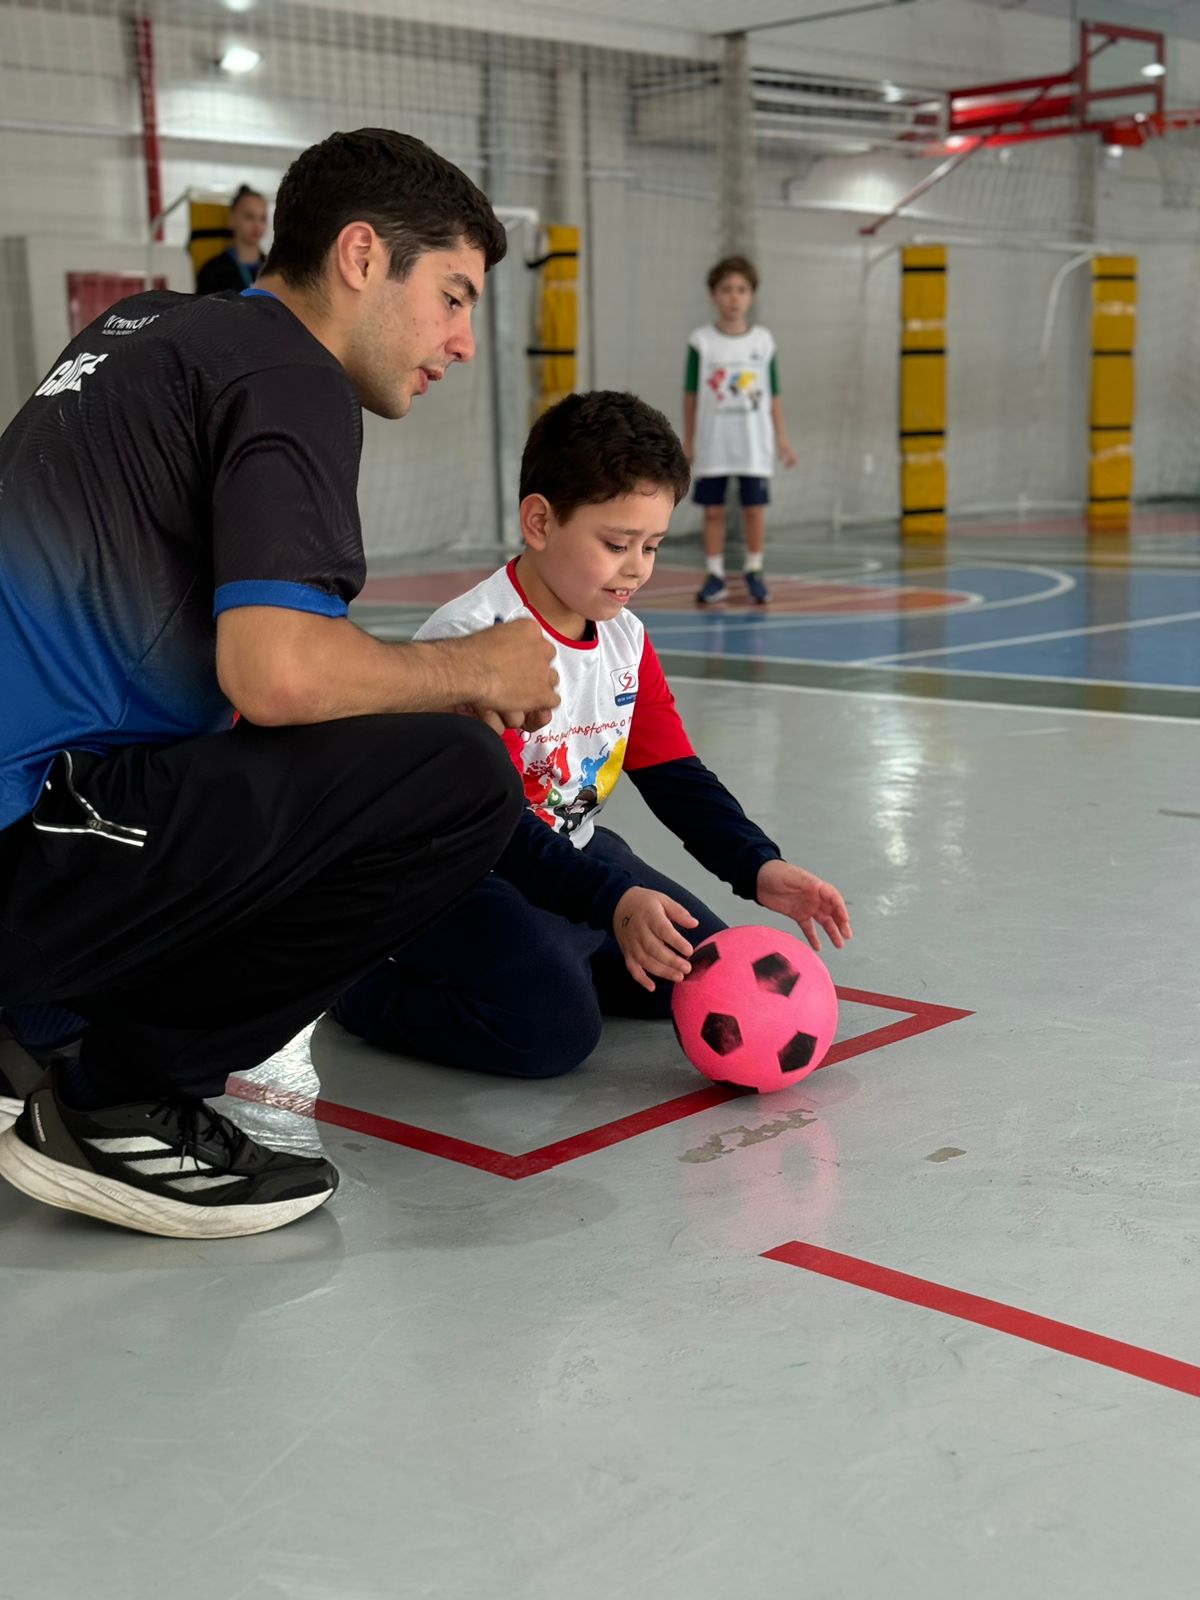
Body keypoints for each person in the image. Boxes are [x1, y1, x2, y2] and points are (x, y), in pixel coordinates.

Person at [0, 128, 560, 1239]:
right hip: (28, 845)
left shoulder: (143, 327)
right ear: (361, 256)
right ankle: (121, 1105)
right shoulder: (291, 374)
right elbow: (278, 676)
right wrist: (472, 667)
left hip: (44, 810)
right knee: (454, 779)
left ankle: (31, 1021)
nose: (460, 340)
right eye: (451, 296)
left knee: (248, 758)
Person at [331, 391, 850, 1080]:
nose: (637, 567)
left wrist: (757, 866)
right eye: (616, 543)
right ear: (541, 521)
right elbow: (496, 829)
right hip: (450, 874)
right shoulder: (470, 644)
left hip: (564, 855)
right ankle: (355, 986)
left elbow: (676, 776)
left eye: (653, 546)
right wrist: (611, 902)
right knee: (553, 1031)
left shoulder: (625, 639)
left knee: (705, 970)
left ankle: (561, 952)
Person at [682, 255, 797, 607]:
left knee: (754, 510)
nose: (734, 297)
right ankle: (715, 574)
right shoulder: (701, 341)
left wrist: (781, 437)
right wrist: (688, 440)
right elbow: (691, 394)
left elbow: (774, 393)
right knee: (713, 510)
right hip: (714, 442)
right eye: (726, 290)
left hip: (753, 443)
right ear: (714, 295)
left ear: (752, 296)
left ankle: (754, 569)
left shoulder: (762, 341)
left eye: (741, 290)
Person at [194, 184, 269, 294]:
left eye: (263, 218)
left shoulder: (275, 271)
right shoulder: (213, 271)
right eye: (249, 217)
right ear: (232, 220)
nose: (257, 225)